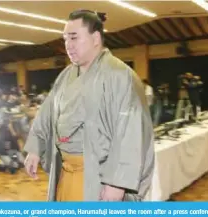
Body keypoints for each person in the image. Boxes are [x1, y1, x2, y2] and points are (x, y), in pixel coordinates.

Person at [23, 9, 154, 201]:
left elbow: (132, 131)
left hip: (99, 176)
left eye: (74, 38)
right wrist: (35, 148)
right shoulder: (65, 76)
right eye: (65, 39)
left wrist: (117, 182)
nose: (68, 46)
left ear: (95, 39)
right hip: (66, 171)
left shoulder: (120, 75)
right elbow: (47, 114)